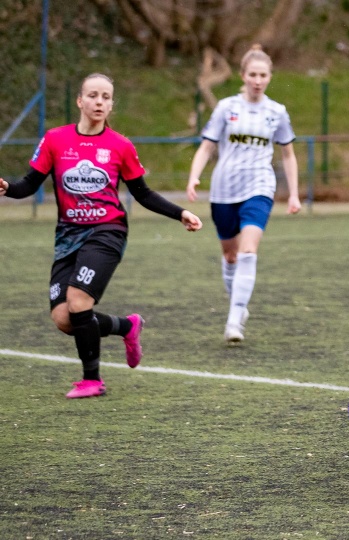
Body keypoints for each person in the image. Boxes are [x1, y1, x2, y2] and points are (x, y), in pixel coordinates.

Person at [0, 73, 203, 399]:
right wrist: (8, 188)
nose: (99, 102)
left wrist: (180, 213)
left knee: (80, 301)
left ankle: (91, 380)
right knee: (64, 318)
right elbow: (28, 185)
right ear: (80, 101)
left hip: (108, 232)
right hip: (68, 235)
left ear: (111, 105)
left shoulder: (120, 146)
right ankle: (127, 326)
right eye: (93, 95)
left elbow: (143, 193)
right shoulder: (55, 140)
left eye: (106, 97)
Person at [186, 44, 301, 344]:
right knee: (231, 253)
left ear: (270, 77)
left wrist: (294, 194)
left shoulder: (277, 112)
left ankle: (234, 318)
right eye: (253, 74)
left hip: (259, 187)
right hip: (224, 190)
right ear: (243, 75)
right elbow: (207, 146)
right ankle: (238, 302)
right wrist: (194, 176)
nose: (258, 80)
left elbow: (288, 154)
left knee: (249, 250)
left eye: (263, 75)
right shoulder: (226, 107)